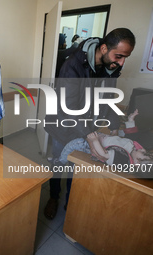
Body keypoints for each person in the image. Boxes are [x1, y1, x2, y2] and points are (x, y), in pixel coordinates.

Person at [44, 28, 136, 220]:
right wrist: (91, 136)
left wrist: (114, 127)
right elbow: (68, 108)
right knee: (60, 162)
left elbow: (108, 97)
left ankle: (72, 203)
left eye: (125, 57)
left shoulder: (110, 66)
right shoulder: (72, 66)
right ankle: (53, 197)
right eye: (119, 56)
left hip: (85, 126)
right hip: (63, 125)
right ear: (103, 48)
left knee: (78, 167)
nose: (121, 62)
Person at [56, 110, 153, 176]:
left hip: (95, 146)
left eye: (144, 153)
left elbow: (103, 154)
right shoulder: (134, 149)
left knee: (74, 144)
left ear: (136, 162)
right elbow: (132, 135)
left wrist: (94, 140)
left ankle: (60, 161)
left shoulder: (122, 160)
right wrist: (131, 119)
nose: (143, 149)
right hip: (102, 137)